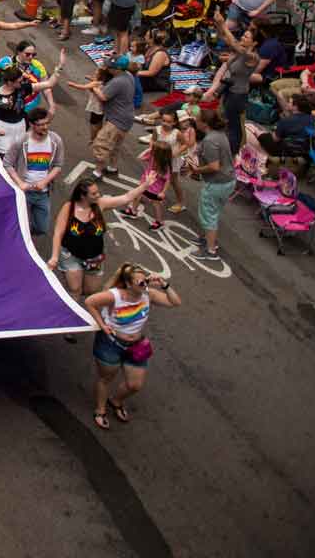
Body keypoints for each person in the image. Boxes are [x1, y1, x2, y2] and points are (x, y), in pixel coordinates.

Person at [83, 263, 180, 431]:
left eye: (146, 281)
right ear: (128, 284)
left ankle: (116, 401)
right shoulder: (115, 296)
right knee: (106, 379)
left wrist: (165, 285)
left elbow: (175, 302)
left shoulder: (148, 295)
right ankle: (100, 410)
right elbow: (90, 302)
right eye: (141, 282)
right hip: (111, 344)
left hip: (136, 346)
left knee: (135, 385)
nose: (145, 285)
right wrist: (103, 325)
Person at [188, 115, 236, 265]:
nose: (195, 121)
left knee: (209, 216)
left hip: (216, 183)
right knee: (212, 213)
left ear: (205, 123)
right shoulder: (219, 134)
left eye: (198, 119)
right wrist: (195, 153)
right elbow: (201, 148)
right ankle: (205, 238)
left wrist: (197, 170)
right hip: (228, 181)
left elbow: (214, 166)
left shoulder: (210, 140)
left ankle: (210, 250)